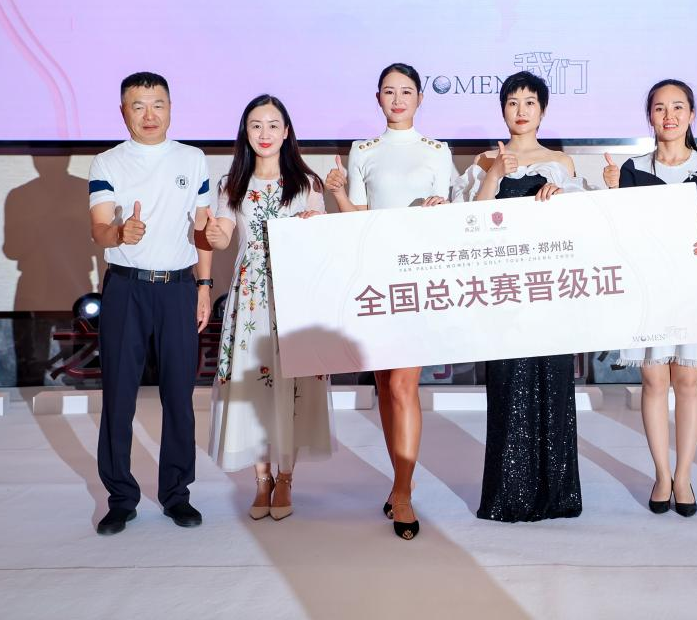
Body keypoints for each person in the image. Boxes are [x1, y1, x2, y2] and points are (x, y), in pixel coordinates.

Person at [324, 63, 454, 540]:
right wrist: (338, 194)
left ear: (420, 98)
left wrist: (441, 209)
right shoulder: (364, 150)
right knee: (384, 385)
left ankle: (402, 492)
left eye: (406, 92)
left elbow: (447, 216)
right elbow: (358, 219)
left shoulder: (437, 151)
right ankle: (401, 481)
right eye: (388, 92)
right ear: (377, 98)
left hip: (416, 279)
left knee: (403, 385)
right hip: (374, 280)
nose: (397, 100)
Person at [453, 70, 585, 522]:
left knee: (554, 383)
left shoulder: (561, 162)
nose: (521, 110)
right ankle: (507, 494)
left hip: (549, 292)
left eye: (530, 102)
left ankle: (557, 494)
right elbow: (467, 222)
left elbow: (578, 228)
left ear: (542, 111)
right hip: (503, 293)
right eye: (513, 102)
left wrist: (562, 198)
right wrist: (493, 174)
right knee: (507, 384)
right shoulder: (484, 160)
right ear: (503, 110)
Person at [87, 72, 213, 535]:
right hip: (127, 289)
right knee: (119, 396)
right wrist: (120, 233)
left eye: (158, 104)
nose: (149, 114)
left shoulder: (192, 159)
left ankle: (177, 494)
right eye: (138, 105)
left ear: (171, 108)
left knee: (179, 395)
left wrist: (204, 286)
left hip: (178, 288)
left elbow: (203, 230)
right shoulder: (107, 162)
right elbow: (99, 229)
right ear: (123, 111)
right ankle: (121, 498)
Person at [604, 79, 697, 518]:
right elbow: (620, 230)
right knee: (654, 382)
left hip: (693, 283)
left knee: (689, 382)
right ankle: (661, 474)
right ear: (650, 116)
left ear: (691, 115)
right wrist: (613, 191)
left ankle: (684, 476)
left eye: (678, 107)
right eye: (660, 108)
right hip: (649, 286)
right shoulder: (632, 167)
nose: (669, 116)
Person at [205, 94, 334, 522]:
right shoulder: (231, 184)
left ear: (286, 132)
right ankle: (262, 479)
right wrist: (210, 234)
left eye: (273, 125)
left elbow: (321, 239)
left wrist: (315, 226)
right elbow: (223, 235)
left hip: (294, 295)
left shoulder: (307, 183)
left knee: (292, 383)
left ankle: (287, 477)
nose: (264, 133)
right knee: (254, 385)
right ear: (245, 132)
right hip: (250, 297)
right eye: (256, 125)